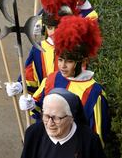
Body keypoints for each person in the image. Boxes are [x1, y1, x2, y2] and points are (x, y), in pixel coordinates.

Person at [22, 16, 109, 144]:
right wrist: (31, 104)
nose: (62, 66)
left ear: (83, 62)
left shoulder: (94, 94)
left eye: (69, 61)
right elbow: (40, 109)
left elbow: (96, 138)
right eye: (60, 60)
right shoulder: (51, 79)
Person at [6, 0, 79, 98]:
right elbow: (32, 78)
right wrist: (20, 86)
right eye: (50, 27)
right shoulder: (39, 49)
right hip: (44, 105)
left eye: (58, 27)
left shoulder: (76, 48)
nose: (54, 32)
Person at [21, 88, 106, 158]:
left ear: (71, 117)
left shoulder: (89, 140)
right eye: (46, 116)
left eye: (56, 118)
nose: (50, 123)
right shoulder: (33, 133)